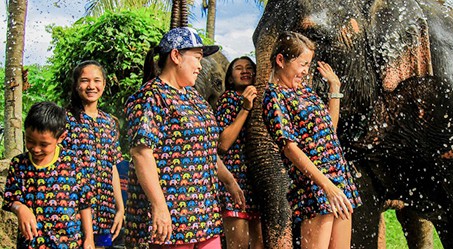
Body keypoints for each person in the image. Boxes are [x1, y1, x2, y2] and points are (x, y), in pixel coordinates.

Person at [124, 27, 244, 248]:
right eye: (197, 58)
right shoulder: (151, 97)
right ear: (176, 56)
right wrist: (159, 206)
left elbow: (204, 149)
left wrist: (229, 181)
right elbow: (141, 153)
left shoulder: (195, 98)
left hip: (204, 213)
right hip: (171, 216)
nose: (200, 66)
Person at [262, 31, 362, 249]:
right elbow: (289, 148)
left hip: (338, 181)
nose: (306, 71)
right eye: (302, 64)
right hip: (314, 187)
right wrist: (326, 186)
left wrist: (334, 90)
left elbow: (329, 132)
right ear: (281, 60)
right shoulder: (274, 96)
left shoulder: (306, 92)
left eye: (308, 64)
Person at [2, 101, 95, 249]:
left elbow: (85, 203)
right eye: (30, 141)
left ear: (61, 137)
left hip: (69, 243)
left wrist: (89, 238)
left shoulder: (73, 162)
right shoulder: (19, 164)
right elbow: (10, 198)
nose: (36, 149)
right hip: (31, 244)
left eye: (44, 144)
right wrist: (20, 208)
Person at [63, 60, 125, 248]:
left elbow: (112, 166)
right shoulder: (64, 120)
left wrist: (120, 208)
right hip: (72, 211)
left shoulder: (109, 123)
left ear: (104, 84)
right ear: (76, 85)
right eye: (85, 80)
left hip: (105, 212)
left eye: (97, 80)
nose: (91, 86)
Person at [215, 56, 263, 249]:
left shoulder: (260, 99)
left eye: (249, 67)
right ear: (230, 77)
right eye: (238, 68)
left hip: (256, 181)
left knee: (260, 244)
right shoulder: (228, 99)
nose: (244, 71)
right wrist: (245, 108)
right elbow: (223, 143)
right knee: (239, 245)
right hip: (234, 181)